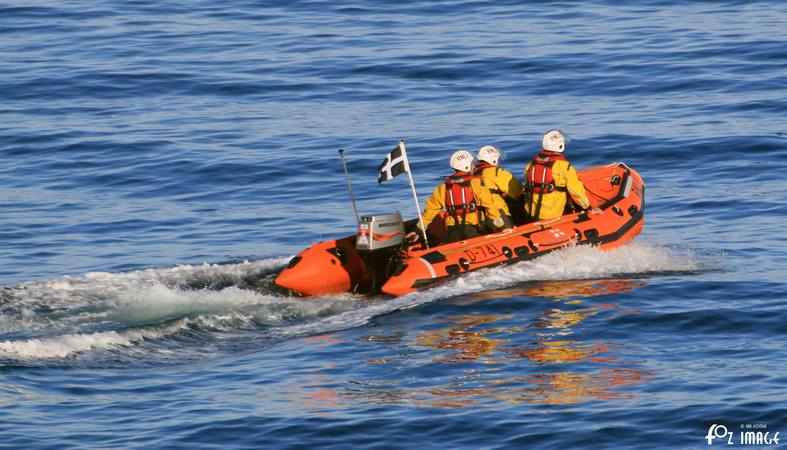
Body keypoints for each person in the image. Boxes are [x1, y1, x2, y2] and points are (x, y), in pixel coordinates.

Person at [407, 150, 507, 244]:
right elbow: (490, 207)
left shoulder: (443, 187)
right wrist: (502, 227)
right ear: (466, 167)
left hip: (452, 231)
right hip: (472, 230)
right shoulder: (476, 184)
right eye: (472, 164)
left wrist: (418, 230)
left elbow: (429, 211)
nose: (474, 166)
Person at [523, 130, 602, 221]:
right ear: (560, 146)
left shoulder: (531, 164)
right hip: (551, 216)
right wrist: (588, 208)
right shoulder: (564, 167)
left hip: (529, 212)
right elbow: (576, 192)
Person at [475, 145, 524, 227]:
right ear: (494, 160)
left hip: (481, 214)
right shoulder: (495, 172)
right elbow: (517, 189)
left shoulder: (474, 173)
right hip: (497, 212)